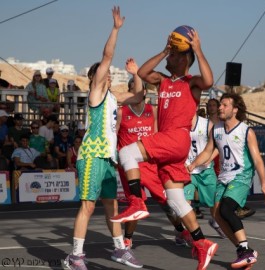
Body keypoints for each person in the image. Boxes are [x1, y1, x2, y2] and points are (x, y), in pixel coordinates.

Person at [111, 28, 218, 270]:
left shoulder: (192, 84)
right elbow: (142, 72)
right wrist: (164, 51)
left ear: (183, 59)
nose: (168, 58)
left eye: (172, 55)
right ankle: (202, 243)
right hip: (171, 144)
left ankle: (137, 202)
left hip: (175, 138)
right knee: (176, 201)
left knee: (126, 152)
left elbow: (209, 80)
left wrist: (198, 50)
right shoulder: (163, 80)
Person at [64, 6, 140, 270]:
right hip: (92, 155)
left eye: (108, 73)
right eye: (103, 72)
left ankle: (120, 249)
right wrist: (116, 29)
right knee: (88, 205)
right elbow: (107, 55)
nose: (108, 73)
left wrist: (136, 75)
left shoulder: (112, 99)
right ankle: (75, 256)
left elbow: (139, 96)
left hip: (108, 157)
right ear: (95, 77)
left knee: (112, 205)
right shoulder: (95, 93)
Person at [188, 93, 265, 269]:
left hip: (241, 176)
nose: (220, 108)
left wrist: (263, 182)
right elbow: (208, 151)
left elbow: (257, 159)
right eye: (220, 105)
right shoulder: (216, 129)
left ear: (235, 109)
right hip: (223, 177)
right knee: (217, 214)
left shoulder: (246, 131)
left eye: (225, 105)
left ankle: (245, 251)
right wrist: (193, 163)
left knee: (225, 208)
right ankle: (244, 251)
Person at [117, 70, 191, 253]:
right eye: (134, 89)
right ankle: (127, 239)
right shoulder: (121, 112)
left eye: (140, 89)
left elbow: (159, 135)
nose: (138, 93)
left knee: (167, 202)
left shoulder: (154, 111)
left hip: (149, 162)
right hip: (129, 165)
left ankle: (180, 231)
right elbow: (114, 136)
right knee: (135, 203)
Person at [207, 98, 256, 220]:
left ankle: (236, 207)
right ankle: (222, 215)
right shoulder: (208, 123)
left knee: (226, 195)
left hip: (225, 161)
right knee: (215, 196)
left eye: (215, 105)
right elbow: (215, 145)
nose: (215, 107)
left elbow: (223, 144)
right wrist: (205, 159)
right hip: (211, 158)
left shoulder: (227, 123)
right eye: (211, 105)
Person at [185, 112, 226, 238]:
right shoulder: (179, 124)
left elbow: (218, 145)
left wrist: (209, 158)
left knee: (214, 203)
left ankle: (215, 221)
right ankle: (185, 232)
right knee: (184, 204)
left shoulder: (207, 124)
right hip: (186, 169)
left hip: (205, 170)